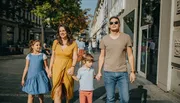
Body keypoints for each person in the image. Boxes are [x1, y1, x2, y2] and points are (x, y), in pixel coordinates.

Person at [96, 16, 136, 103]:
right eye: (111, 23)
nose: (113, 24)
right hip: (108, 72)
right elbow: (102, 56)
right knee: (110, 99)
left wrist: (132, 72)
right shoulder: (104, 39)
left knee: (125, 99)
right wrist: (99, 71)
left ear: (119, 24)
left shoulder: (126, 37)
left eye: (116, 22)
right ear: (109, 26)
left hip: (122, 73)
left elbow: (130, 55)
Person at [48, 24, 78, 103]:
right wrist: (49, 69)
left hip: (68, 68)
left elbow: (75, 57)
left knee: (67, 90)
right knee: (58, 91)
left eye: (63, 30)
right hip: (57, 68)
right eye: (60, 31)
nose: (62, 32)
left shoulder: (74, 43)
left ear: (67, 32)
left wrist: (73, 67)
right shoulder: (56, 42)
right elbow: (53, 57)